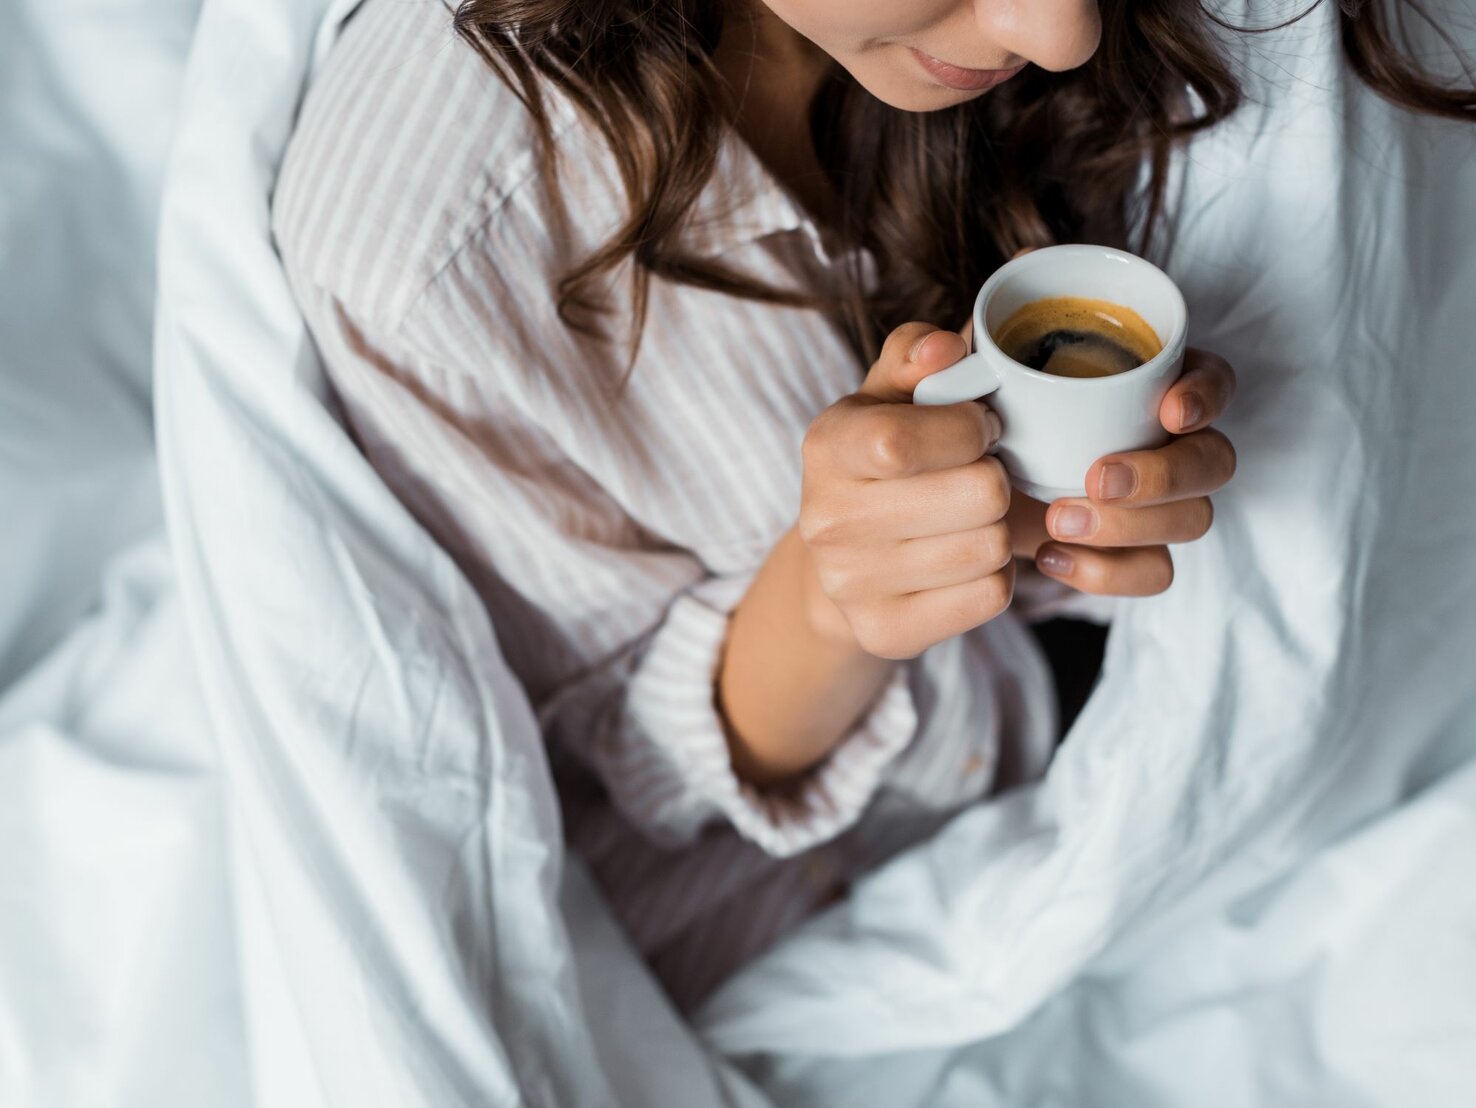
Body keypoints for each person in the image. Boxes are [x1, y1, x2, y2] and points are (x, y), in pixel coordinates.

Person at [270, 0, 1471, 1011]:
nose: (1061, 37)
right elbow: (618, 791)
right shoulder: (436, 250)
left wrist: (1124, 469)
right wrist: (833, 597)